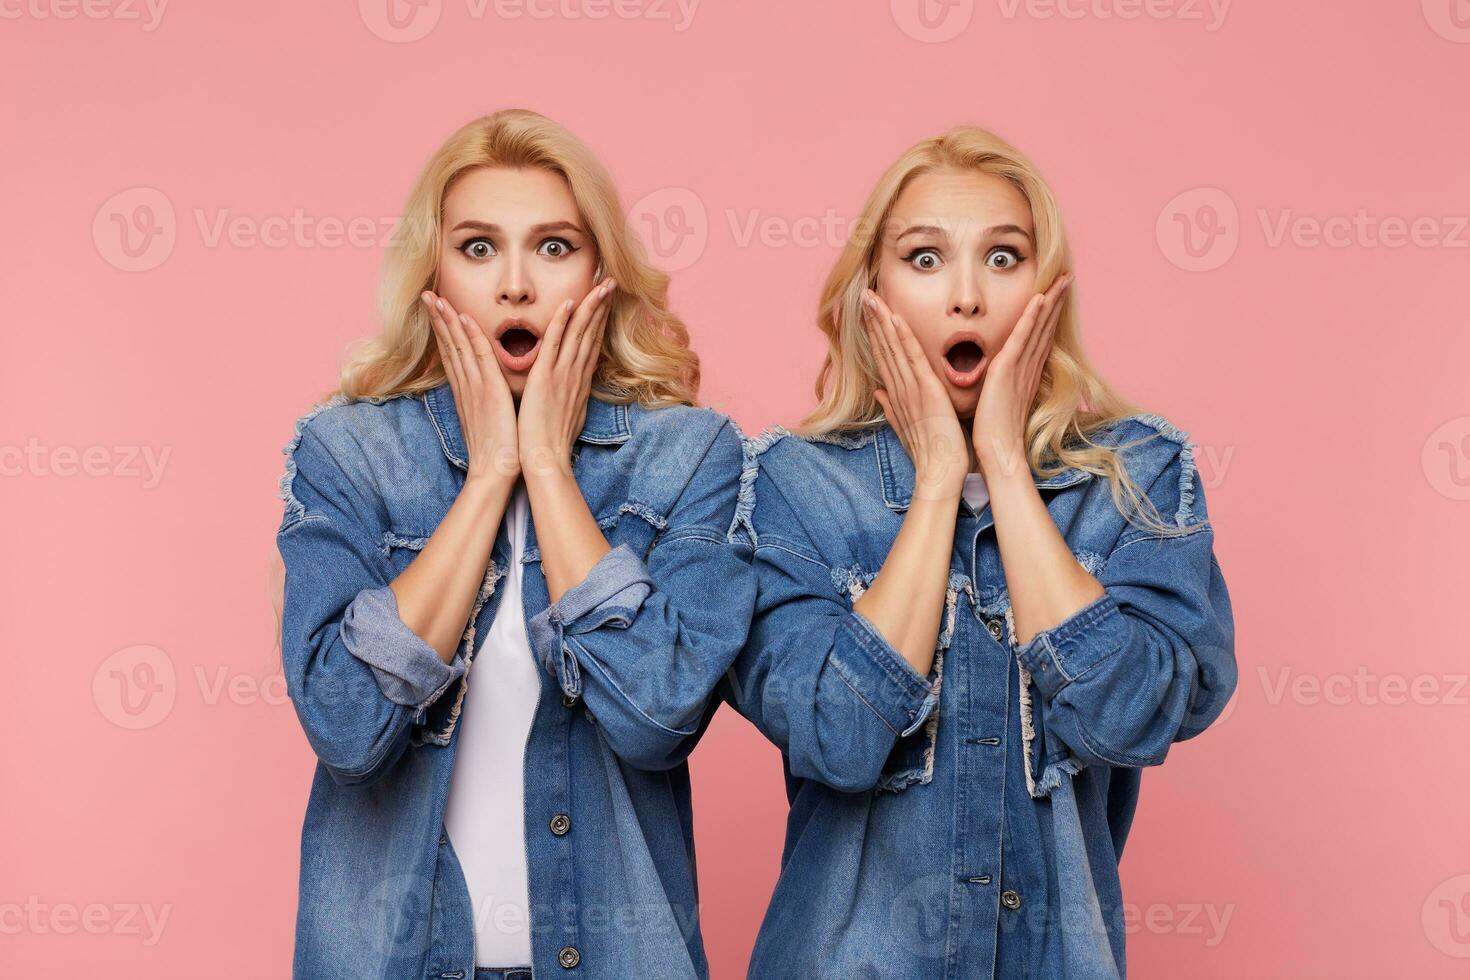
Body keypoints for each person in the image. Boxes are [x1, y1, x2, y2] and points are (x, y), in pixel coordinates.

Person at [724, 125, 1238, 979]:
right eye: (924, 259)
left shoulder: (1138, 473)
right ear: (871, 292)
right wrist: (937, 487)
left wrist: (1003, 464)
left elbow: (1131, 716)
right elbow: (839, 739)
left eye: (1003, 259)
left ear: (1048, 288)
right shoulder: (790, 482)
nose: (966, 296)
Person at [272, 109, 755, 979]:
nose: (517, 285)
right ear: (436, 276)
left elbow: (658, 717)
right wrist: (493, 472)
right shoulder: (348, 451)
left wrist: (548, 468)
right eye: (479, 248)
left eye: (556, 247)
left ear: (601, 275)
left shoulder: (689, 455)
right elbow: (347, 728)